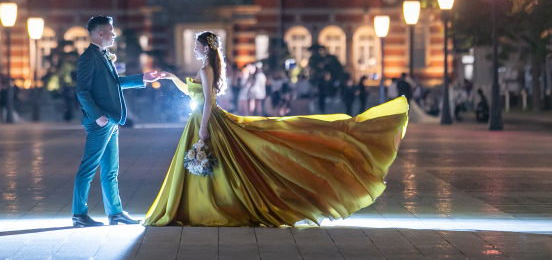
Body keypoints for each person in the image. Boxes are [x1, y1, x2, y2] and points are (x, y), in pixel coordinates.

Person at [144, 30, 409, 227]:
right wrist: (172, 78)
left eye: (196, 45)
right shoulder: (206, 68)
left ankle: (209, 206)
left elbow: (208, 102)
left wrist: (203, 128)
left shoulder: (206, 69)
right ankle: (205, 205)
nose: (194, 48)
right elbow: (196, 95)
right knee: (222, 165)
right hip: (203, 118)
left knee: (223, 164)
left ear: (204, 47)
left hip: (204, 121)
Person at [71, 16, 163, 228]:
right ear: (100, 33)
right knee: (88, 167)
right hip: (101, 122)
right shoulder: (88, 58)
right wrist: (97, 116)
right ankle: (79, 214)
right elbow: (82, 91)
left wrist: (143, 78)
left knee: (111, 169)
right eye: (111, 31)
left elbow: (115, 83)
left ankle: (115, 212)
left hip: (111, 120)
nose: (114, 34)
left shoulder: (103, 56)